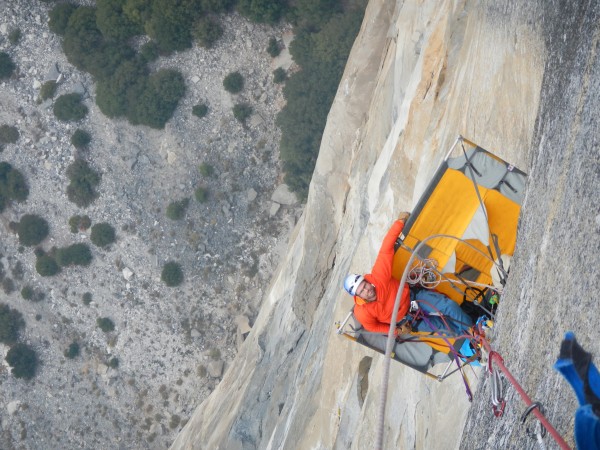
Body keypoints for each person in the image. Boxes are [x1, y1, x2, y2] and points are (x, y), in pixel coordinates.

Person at [343, 212, 473, 337]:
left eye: (365, 285)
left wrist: (399, 222)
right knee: (443, 327)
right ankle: (469, 337)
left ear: (366, 281)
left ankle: (472, 329)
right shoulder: (362, 313)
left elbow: (386, 249)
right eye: (362, 291)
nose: (367, 290)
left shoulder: (378, 277)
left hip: (413, 298)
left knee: (448, 306)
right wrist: (397, 331)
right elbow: (373, 327)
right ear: (358, 296)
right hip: (408, 320)